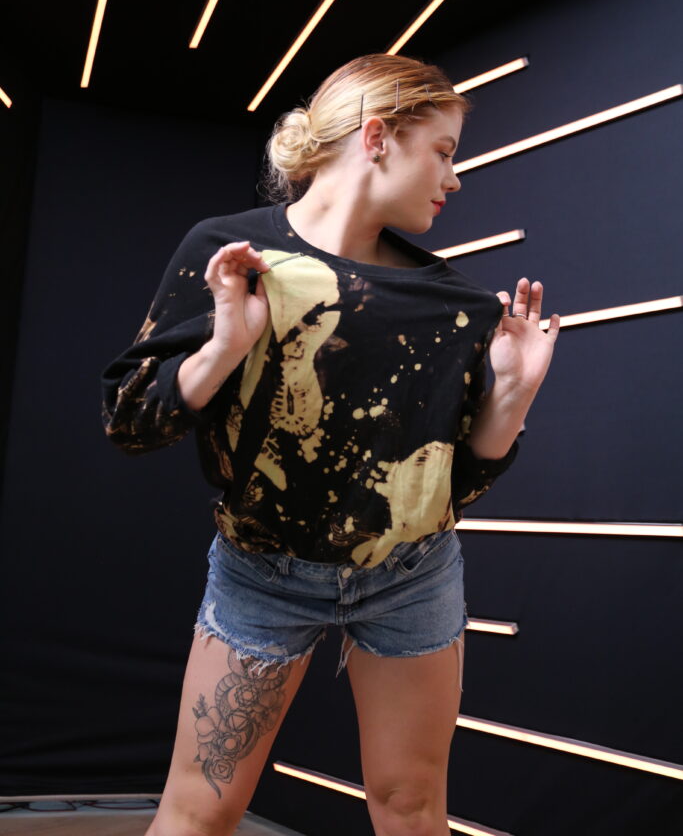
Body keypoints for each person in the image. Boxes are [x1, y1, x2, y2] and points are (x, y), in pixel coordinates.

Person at [102, 52, 560, 836]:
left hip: (412, 577)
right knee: (199, 810)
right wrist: (224, 346)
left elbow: (448, 487)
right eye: (442, 151)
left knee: (411, 806)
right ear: (377, 137)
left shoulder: (450, 304)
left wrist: (511, 397)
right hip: (261, 575)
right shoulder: (233, 254)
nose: (453, 179)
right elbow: (130, 423)